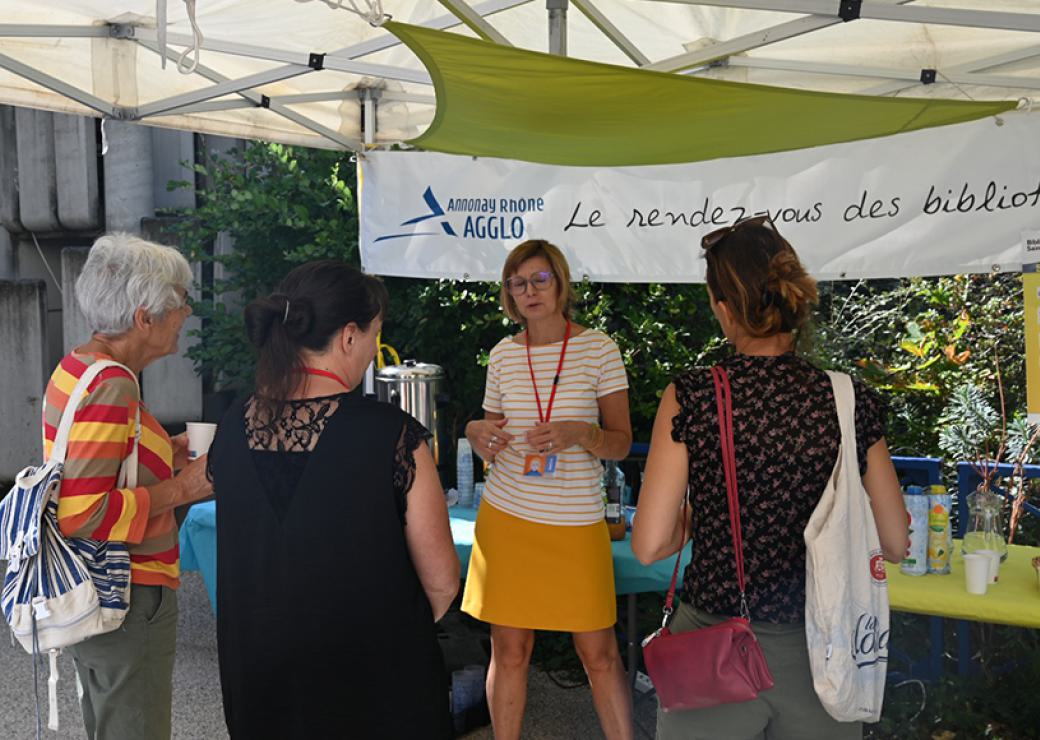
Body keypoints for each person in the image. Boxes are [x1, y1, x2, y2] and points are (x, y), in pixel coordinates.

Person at [631, 216, 908, 740]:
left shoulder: (694, 395)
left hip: (713, 650)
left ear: (723, 308)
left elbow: (648, 545)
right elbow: (893, 542)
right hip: (825, 653)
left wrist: (701, 513)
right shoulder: (850, 400)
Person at [206, 259, 458, 739]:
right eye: (373, 337)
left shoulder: (233, 427)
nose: (372, 353)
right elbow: (443, 583)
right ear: (348, 337)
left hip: (259, 680)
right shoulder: (393, 436)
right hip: (373, 687)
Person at [44, 233, 214, 740]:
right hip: (126, 594)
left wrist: (166, 454)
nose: (186, 312)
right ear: (146, 318)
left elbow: (93, 466)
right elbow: (83, 512)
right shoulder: (114, 385)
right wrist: (184, 489)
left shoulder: (80, 366)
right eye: (180, 302)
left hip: (96, 591)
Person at [463, 239, 634, 740]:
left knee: (599, 655)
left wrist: (581, 433)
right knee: (509, 652)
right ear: (508, 294)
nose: (529, 291)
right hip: (509, 517)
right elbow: (491, 437)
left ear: (560, 283)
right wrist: (476, 433)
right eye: (518, 283)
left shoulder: (598, 347)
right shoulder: (501, 355)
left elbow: (621, 444)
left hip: (576, 521)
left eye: (540, 279)